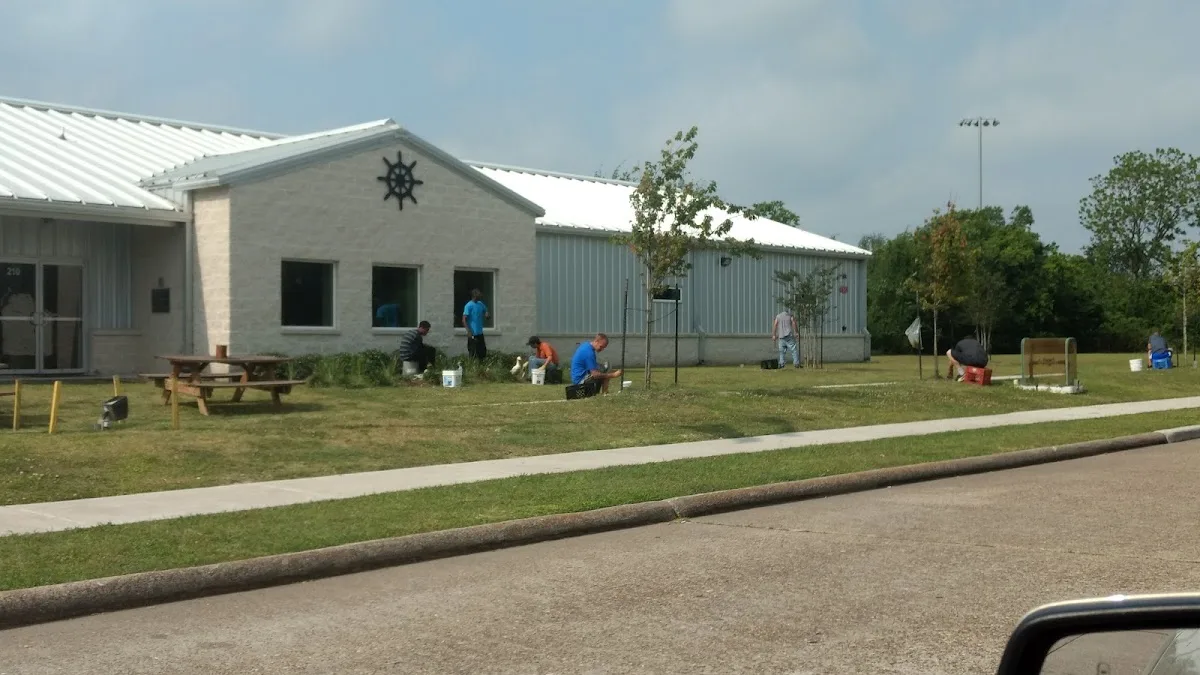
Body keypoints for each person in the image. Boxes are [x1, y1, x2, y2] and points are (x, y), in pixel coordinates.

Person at [461, 289, 489, 360]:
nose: (480, 296)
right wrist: (468, 331)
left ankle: (481, 369)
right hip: (473, 334)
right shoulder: (469, 305)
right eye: (478, 295)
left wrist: (487, 315)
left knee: (482, 353)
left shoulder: (480, 304)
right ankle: (472, 369)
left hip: (480, 333)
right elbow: (464, 320)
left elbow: (486, 312)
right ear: (474, 295)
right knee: (473, 353)